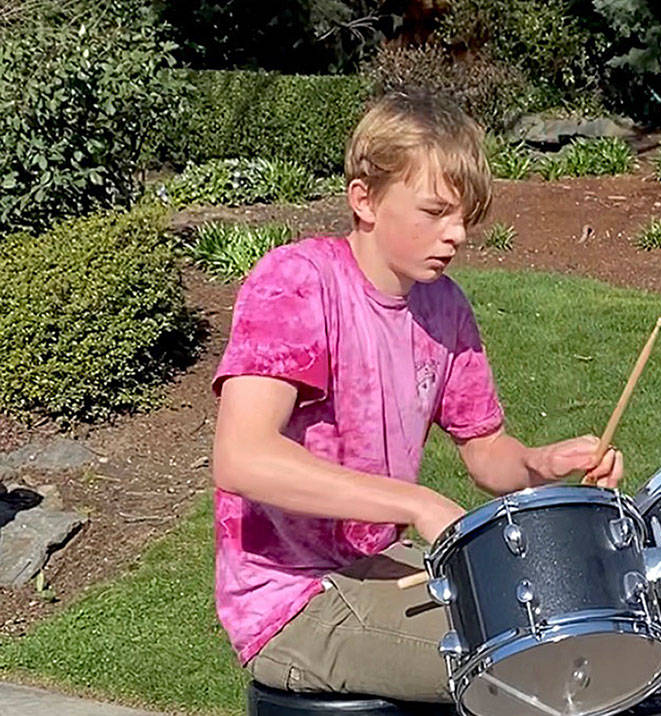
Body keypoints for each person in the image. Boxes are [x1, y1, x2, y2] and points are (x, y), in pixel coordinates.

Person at [210, 89, 624, 702]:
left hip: (382, 569)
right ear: (364, 200)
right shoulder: (298, 283)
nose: (455, 234)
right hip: (292, 600)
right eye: (435, 212)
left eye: (464, 217)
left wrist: (542, 465)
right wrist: (417, 504)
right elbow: (242, 457)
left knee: (588, 626)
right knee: (539, 668)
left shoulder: (444, 306)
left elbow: (486, 453)